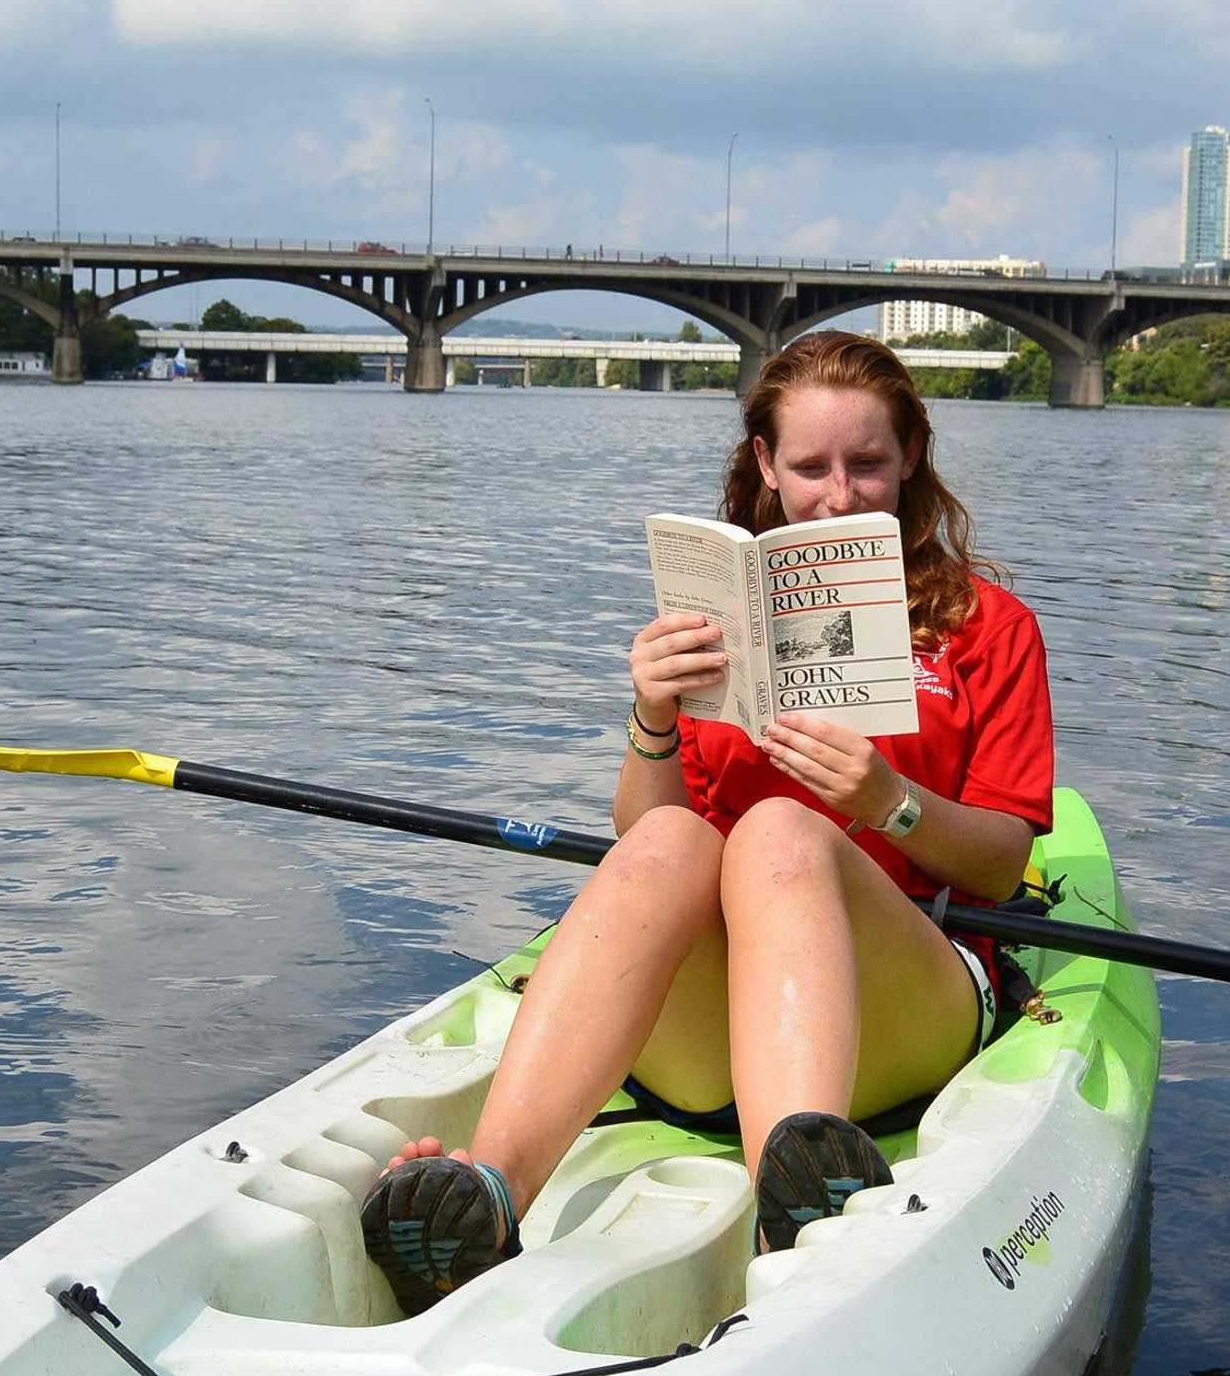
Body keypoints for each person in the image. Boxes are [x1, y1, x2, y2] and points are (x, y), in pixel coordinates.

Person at [360, 330, 1054, 1314]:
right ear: (765, 466)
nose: (839, 496)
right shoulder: (719, 620)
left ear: (910, 459)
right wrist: (651, 712)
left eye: (866, 464)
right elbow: (647, 841)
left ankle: (795, 1203)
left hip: (907, 999)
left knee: (777, 831)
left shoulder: (990, 627)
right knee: (674, 839)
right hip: (716, 1022)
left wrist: (885, 802)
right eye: (809, 467)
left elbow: (999, 867)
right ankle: (491, 1193)